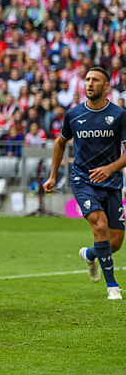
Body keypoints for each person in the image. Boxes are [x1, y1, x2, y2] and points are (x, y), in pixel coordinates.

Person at [44, 67, 126, 300]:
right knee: (99, 225)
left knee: (117, 241)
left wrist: (110, 169)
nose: (90, 83)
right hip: (82, 180)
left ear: (106, 86)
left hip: (111, 182)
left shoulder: (119, 115)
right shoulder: (73, 114)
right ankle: (112, 286)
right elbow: (60, 143)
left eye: (95, 80)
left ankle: (90, 254)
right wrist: (52, 176)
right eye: (87, 79)